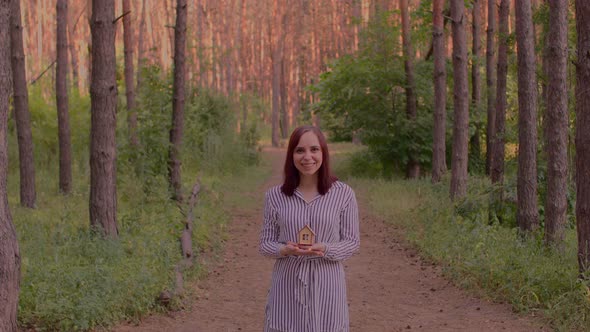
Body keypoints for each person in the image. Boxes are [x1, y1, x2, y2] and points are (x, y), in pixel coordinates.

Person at [259, 125, 360, 332]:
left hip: (327, 284)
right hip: (287, 285)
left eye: (314, 149)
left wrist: (325, 249)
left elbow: (352, 242)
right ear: (291, 155)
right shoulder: (275, 196)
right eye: (300, 150)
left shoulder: (344, 194)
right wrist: (284, 249)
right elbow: (265, 244)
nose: (307, 157)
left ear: (323, 153)